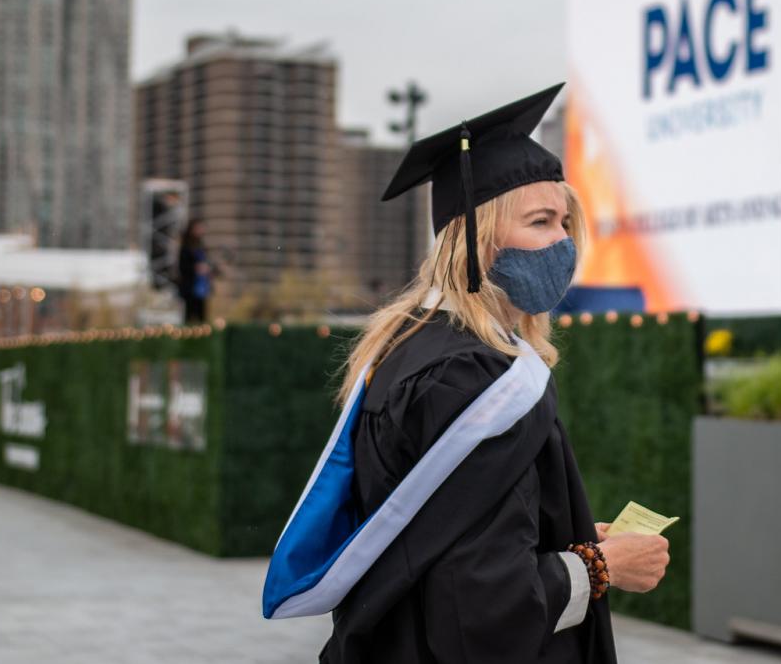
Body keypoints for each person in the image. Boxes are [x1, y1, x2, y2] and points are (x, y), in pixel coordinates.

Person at [262, 84, 668, 663]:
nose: (562, 243)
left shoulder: (415, 348)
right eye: (539, 222)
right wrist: (600, 568)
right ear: (476, 240)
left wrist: (563, 533)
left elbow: (442, 540)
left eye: (564, 223)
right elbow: (480, 603)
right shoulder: (470, 380)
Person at [176, 218, 214, 325]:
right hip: (191, 287)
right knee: (189, 316)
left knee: (202, 318)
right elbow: (182, 267)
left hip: (202, 287)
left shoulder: (202, 246)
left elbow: (207, 264)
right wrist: (196, 268)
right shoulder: (186, 247)